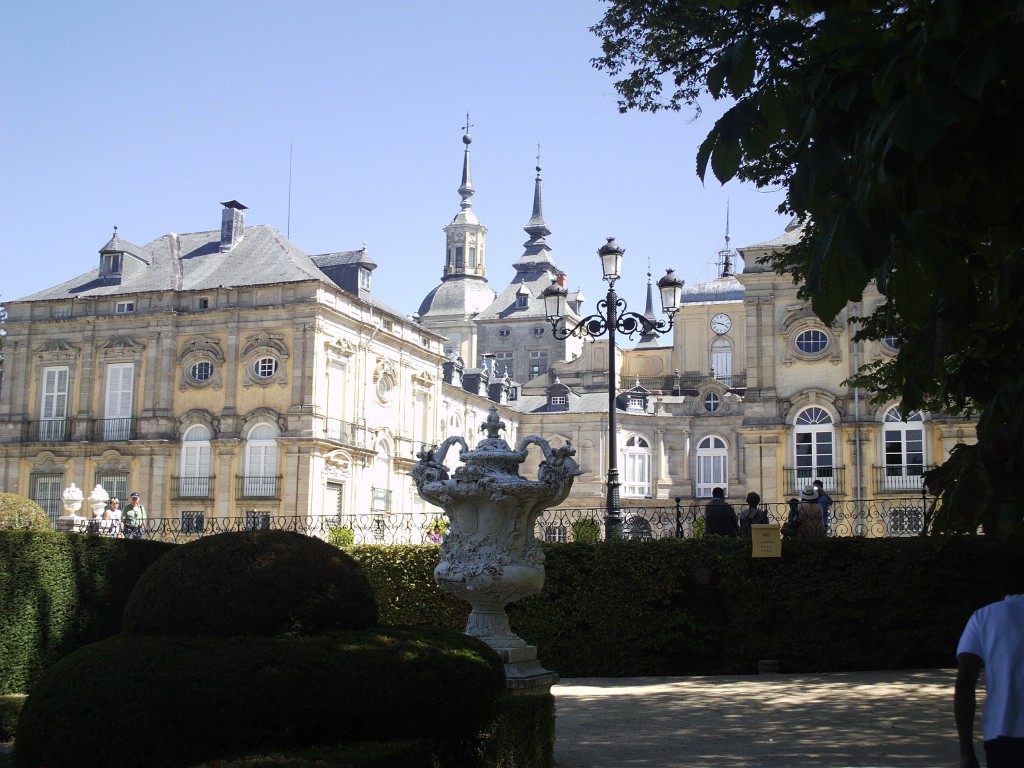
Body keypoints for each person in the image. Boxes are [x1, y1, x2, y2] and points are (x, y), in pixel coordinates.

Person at [955, 555, 1024, 768]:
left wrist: (966, 752)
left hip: (1003, 732)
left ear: (1002, 590)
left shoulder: (983, 617)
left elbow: (965, 684)